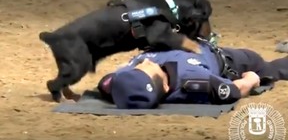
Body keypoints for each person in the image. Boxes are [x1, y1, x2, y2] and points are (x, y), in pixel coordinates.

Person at [97, 38, 288, 109]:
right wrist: (252, 80)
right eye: (146, 66)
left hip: (187, 43)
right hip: (231, 61)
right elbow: (231, 91)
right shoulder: (193, 82)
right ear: (164, 86)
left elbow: (106, 83)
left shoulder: (121, 84)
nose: (146, 61)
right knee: (269, 70)